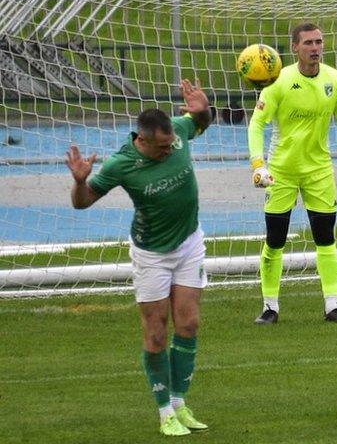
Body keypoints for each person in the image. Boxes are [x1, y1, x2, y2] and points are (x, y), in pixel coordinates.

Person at [65, 80, 212, 437]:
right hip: (152, 255)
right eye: (162, 148)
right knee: (157, 333)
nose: (169, 150)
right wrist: (80, 182)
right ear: (141, 140)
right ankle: (164, 413)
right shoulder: (120, 165)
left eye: (171, 145)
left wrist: (203, 108)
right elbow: (82, 203)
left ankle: (180, 404)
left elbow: (201, 123)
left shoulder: (176, 131)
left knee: (189, 325)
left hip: (190, 242)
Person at [248, 22, 337, 324]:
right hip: (282, 172)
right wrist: (258, 165)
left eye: (318, 42)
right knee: (275, 239)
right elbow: (256, 125)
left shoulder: (336, 80)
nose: (315, 48)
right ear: (294, 48)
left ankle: (333, 306)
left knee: (325, 238)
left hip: (319, 171)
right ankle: (270, 307)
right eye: (308, 43)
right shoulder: (277, 82)